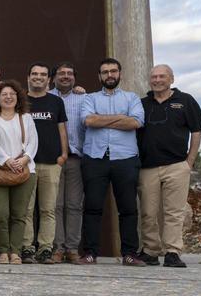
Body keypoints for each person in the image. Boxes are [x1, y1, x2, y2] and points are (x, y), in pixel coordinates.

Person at [77, 57, 147, 266]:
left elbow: (136, 122)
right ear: (99, 76)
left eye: (113, 71)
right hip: (95, 158)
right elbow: (88, 120)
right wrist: (119, 118)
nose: (110, 75)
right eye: (105, 72)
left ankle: (129, 254)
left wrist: (103, 120)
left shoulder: (132, 98)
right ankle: (90, 253)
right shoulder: (89, 98)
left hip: (125, 159)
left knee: (128, 209)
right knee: (92, 207)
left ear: (120, 74)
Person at [138, 64, 201, 269]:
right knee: (148, 212)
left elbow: (197, 131)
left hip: (177, 166)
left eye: (162, 76)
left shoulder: (185, 101)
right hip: (147, 167)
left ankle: (172, 252)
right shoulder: (142, 104)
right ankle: (150, 251)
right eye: (154, 77)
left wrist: (189, 161)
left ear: (171, 79)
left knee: (174, 212)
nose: (157, 80)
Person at [0, 80, 37, 264]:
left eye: (12, 94)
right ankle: (2, 252)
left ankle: (15, 252)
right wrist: (7, 160)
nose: (8, 97)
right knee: (0, 213)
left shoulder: (26, 118)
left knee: (19, 214)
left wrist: (23, 160)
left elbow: (33, 142)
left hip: (25, 171)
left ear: (18, 97)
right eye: (4, 94)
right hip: (0, 170)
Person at [21, 62, 68, 264]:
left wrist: (64, 154)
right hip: (27, 164)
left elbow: (62, 129)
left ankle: (46, 249)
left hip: (51, 162)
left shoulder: (56, 102)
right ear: (28, 77)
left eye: (42, 74)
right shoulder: (20, 100)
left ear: (48, 79)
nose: (38, 77)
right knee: (26, 209)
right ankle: (27, 248)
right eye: (34, 74)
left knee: (48, 209)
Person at [50, 61, 85, 262]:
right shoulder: (47, 97)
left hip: (76, 158)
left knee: (74, 205)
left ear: (74, 77)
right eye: (61, 73)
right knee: (55, 205)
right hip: (53, 159)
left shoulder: (84, 99)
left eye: (69, 73)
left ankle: (72, 248)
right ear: (54, 78)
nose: (65, 76)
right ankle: (58, 248)